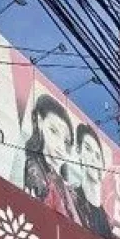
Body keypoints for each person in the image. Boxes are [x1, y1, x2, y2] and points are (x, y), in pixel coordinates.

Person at [21, 93, 80, 223]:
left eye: (66, 141)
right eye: (53, 131)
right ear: (40, 122)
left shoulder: (66, 187)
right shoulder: (34, 170)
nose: (60, 147)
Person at [69, 123, 116, 239]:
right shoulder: (69, 198)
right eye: (88, 149)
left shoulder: (109, 221)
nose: (94, 160)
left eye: (98, 155)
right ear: (78, 151)